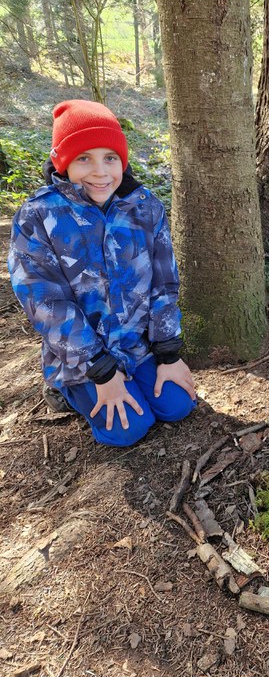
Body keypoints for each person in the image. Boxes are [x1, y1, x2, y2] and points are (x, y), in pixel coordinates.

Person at [8, 99, 197, 446]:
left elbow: (164, 282)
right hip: (82, 358)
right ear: (62, 162)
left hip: (136, 346)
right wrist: (100, 371)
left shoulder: (145, 207)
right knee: (128, 429)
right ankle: (66, 392)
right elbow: (45, 303)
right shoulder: (38, 216)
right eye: (84, 158)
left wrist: (169, 354)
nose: (100, 172)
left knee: (177, 405)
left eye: (110, 158)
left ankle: (139, 378)